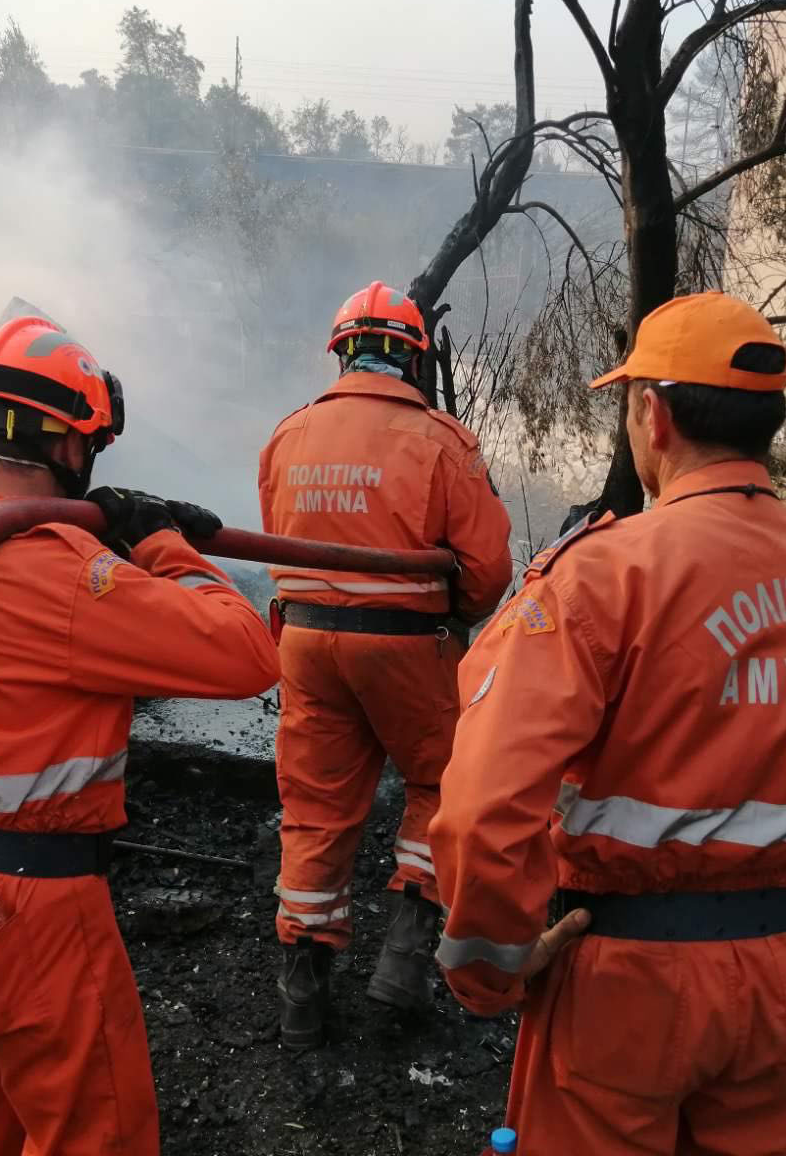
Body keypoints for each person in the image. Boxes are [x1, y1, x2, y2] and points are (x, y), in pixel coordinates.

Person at [430, 291, 786, 1154]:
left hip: (624, 983)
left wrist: (489, 970)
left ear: (651, 416)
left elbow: (485, 803)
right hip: (783, 980)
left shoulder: (600, 580)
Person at [0, 311, 280, 1156]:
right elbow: (247, 654)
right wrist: (163, 544)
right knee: (96, 1135)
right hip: (30, 913)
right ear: (69, 449)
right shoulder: (63, 576)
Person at [258, 281, 513, 1047]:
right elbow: (489, 568)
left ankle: (301, 999)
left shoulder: (287, 434)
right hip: (408, 643)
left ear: (341, 354)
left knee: (316, 807)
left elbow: (278, 541)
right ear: (412, 358)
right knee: (441, 783)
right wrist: (457, 619)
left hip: (305, 643)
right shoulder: (443, 441)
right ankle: (402, 964)